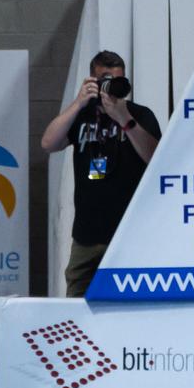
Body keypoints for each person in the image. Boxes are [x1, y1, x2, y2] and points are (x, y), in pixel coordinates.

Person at [41, 51, 161, 297]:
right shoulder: (81, 115)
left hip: (129, 233)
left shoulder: (139, 115)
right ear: (92, 82)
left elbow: (155, 158)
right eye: (106, 80)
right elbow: (48, 143)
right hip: (87, 235)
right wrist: (78, 103)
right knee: (76, 302)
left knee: (130, 303)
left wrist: (124, 119)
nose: (112, 87)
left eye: (118, 80)